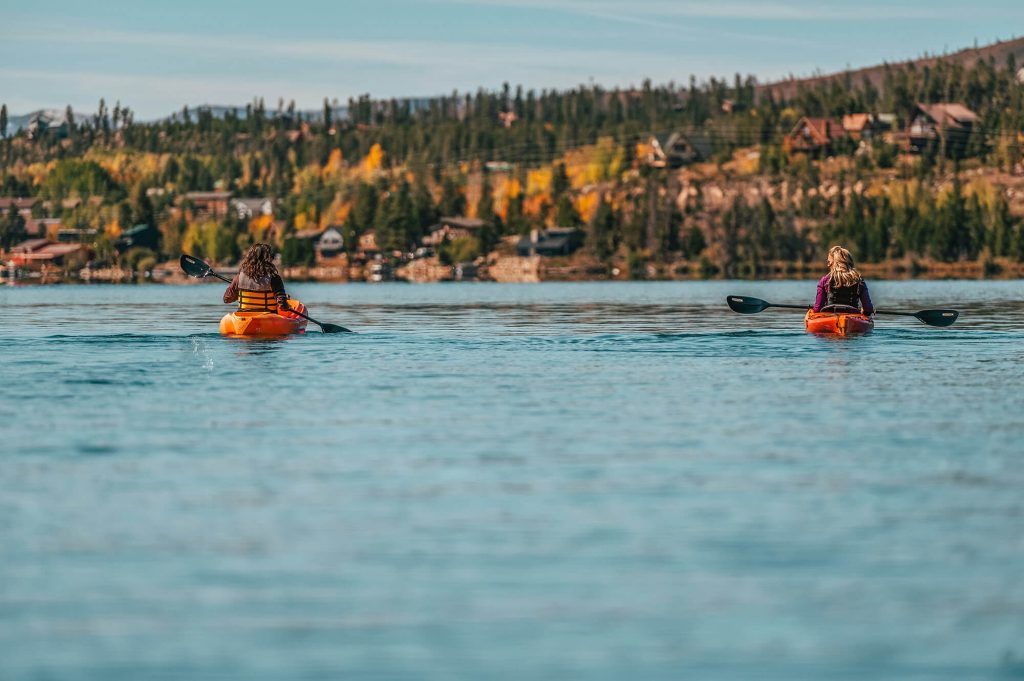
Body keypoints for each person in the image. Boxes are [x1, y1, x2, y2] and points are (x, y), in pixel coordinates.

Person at [223, 243, 304, 319]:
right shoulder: (274, 278)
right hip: (268, 319)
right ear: (268, 260)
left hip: (244, 319)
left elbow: (227, 299)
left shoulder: (238, 278)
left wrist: (238, 293)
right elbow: (282, 305)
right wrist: (287, 305)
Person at [813, 245, 874, 315]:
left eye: (829, 262)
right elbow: (868, 310)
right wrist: (863, 311)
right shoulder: (859, 281)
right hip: (852, 319)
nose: (828, 265)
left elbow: (817, 309)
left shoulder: (824, 281)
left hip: (830, 318)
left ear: (836, 263)